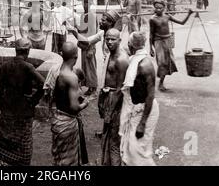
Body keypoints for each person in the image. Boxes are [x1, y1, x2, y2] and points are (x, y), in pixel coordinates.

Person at [0, 38, 45, 166]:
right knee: (24, 145)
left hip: (8, 111)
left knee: (1, 141)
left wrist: (3, 107)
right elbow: (44, 84)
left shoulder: (5, 66)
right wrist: (33, 101)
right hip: (24, 112)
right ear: (27, 51)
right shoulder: (28, 67)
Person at [119, 32, 159, 166]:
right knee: (131, 150)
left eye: (128, 44)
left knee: (139, 152)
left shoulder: (144, 65)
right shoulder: (136, 59)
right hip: (136, 109)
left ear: (131, 46)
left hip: (145, 111)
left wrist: (142, 123)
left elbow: (150, 95)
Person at [51, 42, 89, 166]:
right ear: (76, 57)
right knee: (68, 161)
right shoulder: (72, 77)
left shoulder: (57, 71)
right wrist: (85, 104)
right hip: (67, 123)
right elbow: (74, 108)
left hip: (57, 119)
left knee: (59, 158)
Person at [68, 11, 121, 96]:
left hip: (115, 69)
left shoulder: (117, 36)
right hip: (106, 67)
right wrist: (74, 32)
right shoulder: (102, 33)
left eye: (103, 20)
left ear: (110, 23)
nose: (100, 22)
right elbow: (87, 41)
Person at [98, 28, 129, 166]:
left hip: (116, 103)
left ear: (120, 40)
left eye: (113, 39)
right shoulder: (111, 54)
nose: (109, 42)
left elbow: (120, 89)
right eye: (107, 39)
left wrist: (110, 111)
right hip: (108, 98)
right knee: (108, 136)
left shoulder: (121, 59)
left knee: (114, 141)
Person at [149, 1, 193, 91]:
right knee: (161, 63)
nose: (158, 9)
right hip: (158, 41)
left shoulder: (167, 16)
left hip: (167, 40)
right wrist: (150, 48)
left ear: (164, 8)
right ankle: (159, 83)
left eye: (160, 8)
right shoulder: (152, 19)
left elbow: (182, 23)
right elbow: (151, 34)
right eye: (156, 7)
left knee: (167, 62)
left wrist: (189, 14)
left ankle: (161, 82)